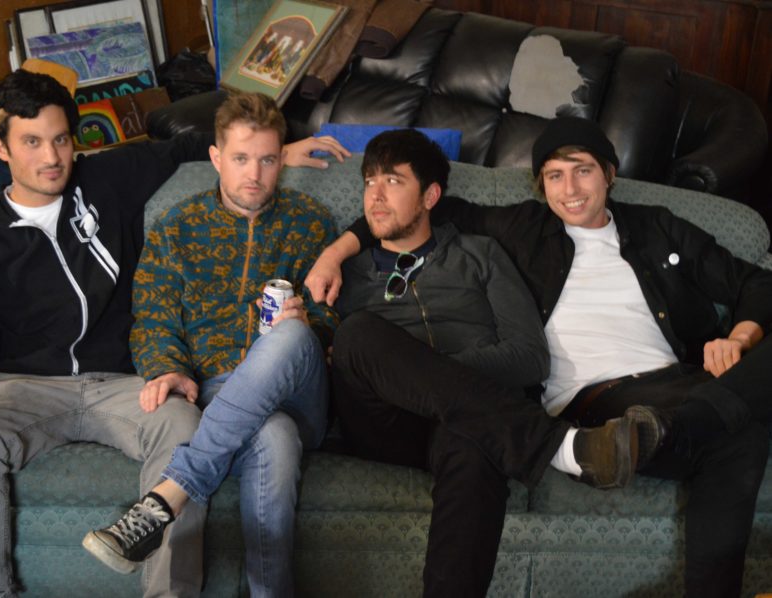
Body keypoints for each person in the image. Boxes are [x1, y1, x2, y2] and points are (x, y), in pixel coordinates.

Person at [0, 70, 348, 598]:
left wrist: (271, 152)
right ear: (1, 149)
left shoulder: (106, 178)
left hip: (122, 382)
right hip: (23, 385)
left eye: (61, 139)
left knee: (182, 423)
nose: (52, 157)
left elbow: (189, 141)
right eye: (32, 142)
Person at [306, 117, 772, 598]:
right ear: (541, 185)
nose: (569, 189)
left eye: (583, 171)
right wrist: (334, 252)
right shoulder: (522, 228)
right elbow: (398, 213)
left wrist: (740, 335)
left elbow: (756, 282)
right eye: (554, 175)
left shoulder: (658, 227)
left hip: (670, 388)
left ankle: (677, 428)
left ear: (609, 173)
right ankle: (571, 446)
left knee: (739, 435)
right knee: (741, 435)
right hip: (582, 400)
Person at [81, 91, 339, 597]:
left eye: (268, 159)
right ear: (216, 157)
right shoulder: (177, 230)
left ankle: (167, 497)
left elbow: (333, 316)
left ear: (280, 156)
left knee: (290, 334)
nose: (255, 175)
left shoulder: (311, 221)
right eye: (241, 159)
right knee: (275, 438)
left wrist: (311, 321)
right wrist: (167, 368)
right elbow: (152, 318)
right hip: (217, 395)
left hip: (300, 389)